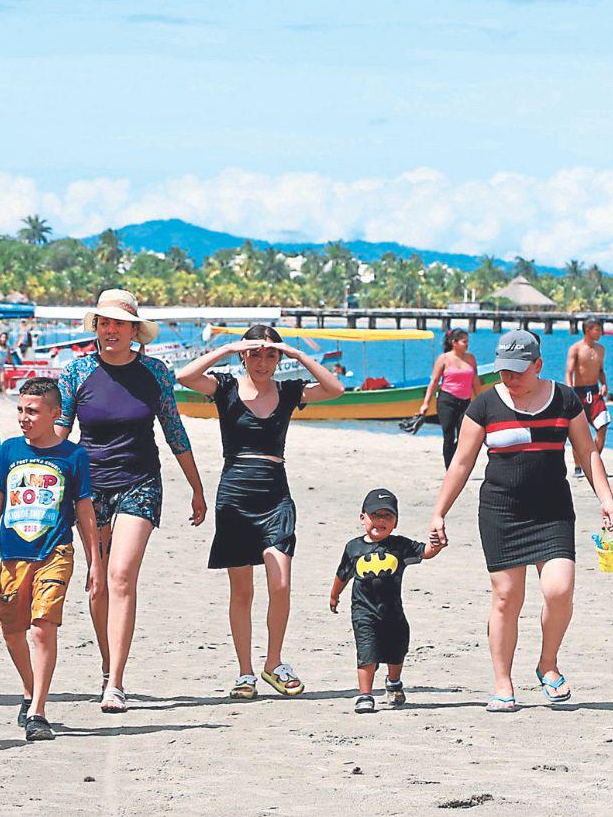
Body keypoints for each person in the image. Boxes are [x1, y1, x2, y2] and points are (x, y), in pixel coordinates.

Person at [429, 330, 613, 711]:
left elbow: (586, 451)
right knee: (506, 597)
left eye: (519, 371)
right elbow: (462, 463)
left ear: (538, 365)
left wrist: (606, 498)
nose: (511, 378)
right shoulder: (484, 405)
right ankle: (503, 683)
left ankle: (547, 664)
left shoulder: (565, 400)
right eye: (504, 371)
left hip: (552, 511)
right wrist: (439, 511)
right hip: (502, 512)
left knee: (559, 589)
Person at [56, 289, 207, 713]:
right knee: (98, 580)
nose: (110, 330)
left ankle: (116, 681)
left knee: (121, 575)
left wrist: (196, 487)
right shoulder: (77, 371)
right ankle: (108, 667)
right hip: (89, 487)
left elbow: (174, 431)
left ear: (134, 330)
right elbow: (61, 433)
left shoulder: (155, 372)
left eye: (118, 323)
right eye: (103, 323)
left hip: (140, 482)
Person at [177, 324, 344, 699]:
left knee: (280, 582)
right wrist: (229, 347)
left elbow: (336, 389)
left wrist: (300, 355)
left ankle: (273, 662)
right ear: (244, 356)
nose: (263, 362)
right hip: (235, 495)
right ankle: (245, 673)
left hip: (275, 496)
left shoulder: (289, 391)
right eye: (255, 354)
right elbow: (185, 376)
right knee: (242, 592)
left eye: (271, 354)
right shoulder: (225, 388)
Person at [0, 377, 105, 741]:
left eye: (32, 411)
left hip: (55, 550)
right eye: (20, 410)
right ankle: (30, 690)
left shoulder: (73, 456)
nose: (24, 418)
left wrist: (95, 562)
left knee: (42, 627)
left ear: (54, 414)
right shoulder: (9, 451)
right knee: (13, 630)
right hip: (13, 554)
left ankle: (38, 711)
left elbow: (85, 511)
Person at [329, 488, 443, 713]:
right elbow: (343, 573)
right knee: (366, 651)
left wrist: (436, 544)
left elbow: (425, 552)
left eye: (387, 516)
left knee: (397, 649)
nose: (381, 521)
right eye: (375, 515)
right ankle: (365, 695)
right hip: (363, 611)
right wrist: (334, 595)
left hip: (393, 612)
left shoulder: (400, 546)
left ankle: (393, 682)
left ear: (395, 522)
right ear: (363, 518)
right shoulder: (353, 548)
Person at [418, 329, 482, 468]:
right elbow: (434, 381)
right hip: (447, 401)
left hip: (465, 402)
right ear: (454, 342)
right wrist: (425, 404)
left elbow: (475, 381)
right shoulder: (444, 358)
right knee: (448, 436)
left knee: (463, 437)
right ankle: (450, 468)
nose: (467, 345)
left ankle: (457, 463)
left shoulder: (470, 358)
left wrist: (481, 401)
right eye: (464, 342)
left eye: (467, 342)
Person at [565, 318, 610, 477]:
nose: (600, 333)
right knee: (578, 432)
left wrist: (604, 384)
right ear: (588, 330)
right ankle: (578, 466)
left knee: (603, 426)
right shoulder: (576, 348)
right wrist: (570, 392)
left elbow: (601, 370)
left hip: (595, 392)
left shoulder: (601, 349)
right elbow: (569, 372)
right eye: (597, 330)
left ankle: (592, 461)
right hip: (579, 392)